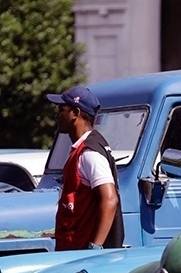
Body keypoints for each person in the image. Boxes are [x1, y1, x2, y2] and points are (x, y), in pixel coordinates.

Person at [48, 85, 124, 250]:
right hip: (73, 253)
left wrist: (95, 247)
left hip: (82, 257)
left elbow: (110, 199)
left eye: (62, 109)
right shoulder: (81, 148)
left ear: (75, 113)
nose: (57, 115)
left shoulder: (89, 152)